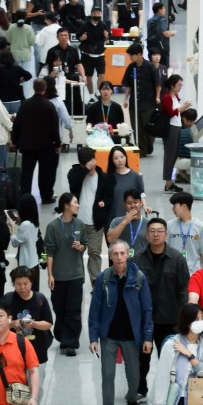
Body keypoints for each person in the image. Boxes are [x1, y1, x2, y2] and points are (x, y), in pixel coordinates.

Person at [88, 240, 153, 405]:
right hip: (109, 335)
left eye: (122, 253)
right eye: (115, 254)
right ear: (110, 256)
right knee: (107, 376)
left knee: (134, 377)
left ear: (128, 254)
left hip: (132, 336)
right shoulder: (104, 278)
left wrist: (148, 336)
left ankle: (132, 399)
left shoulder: (139, 278)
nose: (118, 257)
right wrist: (93, 337)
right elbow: (95, 309)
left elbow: (147, 309)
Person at [135, 218, 190, 401]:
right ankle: (141, 388)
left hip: (169, 319)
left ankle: (170, 388)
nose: (156, 234)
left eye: (160, 231)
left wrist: (184, 319)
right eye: (152, 231)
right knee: (142, 357)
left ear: (166, 234)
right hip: (144, 318)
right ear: (147, 234)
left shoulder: (177, 258)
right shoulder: (137, 259)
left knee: (169, 358)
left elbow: (183, 289)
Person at [3, 265, 53, 405]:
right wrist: (14, 324)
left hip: (38, 349)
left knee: (37, 383)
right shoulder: (8, 299)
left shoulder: (40, 299)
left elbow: (48, 323)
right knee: (16, 383)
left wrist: (34, 324)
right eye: (18, 284)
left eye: (26, 283)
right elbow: (0, 322)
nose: (22, 287)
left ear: (32, 283)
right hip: (14, 350)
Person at [44, 193, 88, 356]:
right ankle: (62, 335)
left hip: (76, 275)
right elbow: (49, 252)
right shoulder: (53, 227)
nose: (78, 205)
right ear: (66, 205)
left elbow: (85, 244)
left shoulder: (80, 224)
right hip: (59, 276)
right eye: (75, 202)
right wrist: (50, 275)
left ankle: (71, 342)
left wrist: (80, 247)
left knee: (73, 310)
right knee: (60, 309)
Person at [11, 78, 61, 205]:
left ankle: (25, 197)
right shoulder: (49, 106)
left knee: (27, 171)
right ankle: (46, 196)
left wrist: (15, 140)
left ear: (33, 88)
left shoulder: (25, 105)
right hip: (45, 146)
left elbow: (17, 124)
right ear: (45, 89)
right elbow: (54, 127)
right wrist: (57, 143)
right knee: (45, 172)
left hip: (27, 145)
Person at [67, 147, 107, 283]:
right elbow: (74, 185)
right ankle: (77, 280)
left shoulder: (103, 176)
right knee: (76, 253)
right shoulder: (75, 173)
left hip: (96, 223)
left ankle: (96, 281)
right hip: (78, 222)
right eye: (87, 163)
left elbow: (109, 196)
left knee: (95, 253)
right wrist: (85, 170)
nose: (91, 165)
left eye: (92, 161)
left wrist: (104, 204)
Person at [122, 42, 160, 158]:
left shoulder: (150, 67)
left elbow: (157, 84)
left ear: (139, 54)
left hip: (148, 103)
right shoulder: (131, 67)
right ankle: (142, 150)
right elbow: (128, 85)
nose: (130, 58)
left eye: (132, 55)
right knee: (136, 127)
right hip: (135, 103)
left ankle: (149, 145)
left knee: (147, 127)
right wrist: (125, 99)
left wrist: (157, 97)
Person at [160, 74, 192, 192]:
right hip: (171, 128)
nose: (180, 87)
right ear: (172, 85)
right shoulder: (167, 97)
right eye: (179, 85)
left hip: (177, 127)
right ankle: (168, 183)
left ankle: (170, 182)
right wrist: (182, 108)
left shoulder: (176, 96)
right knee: (170, 155)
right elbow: (170, 113)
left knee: (174, 154)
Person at [167, 191, 203, 275]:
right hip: (173, 274)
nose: (172, 209)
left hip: (193, 275)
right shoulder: (169, 225)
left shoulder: (200, 227)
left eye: (174, 206)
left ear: (184, 206)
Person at [104, 147, 147, 222]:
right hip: (113, 218)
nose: (120, 160)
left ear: (126, 157)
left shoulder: (135, 176)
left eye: (122, 157)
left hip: (131, 217)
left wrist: (145, 206)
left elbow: (141, 194)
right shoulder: (108, 177)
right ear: (112, 160)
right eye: (116, 158)